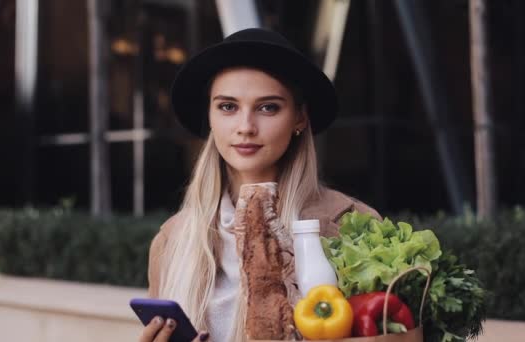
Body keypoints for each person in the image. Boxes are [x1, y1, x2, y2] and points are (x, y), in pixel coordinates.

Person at [141, 28, 380, 342]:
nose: (245, 127)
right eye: (228, 107)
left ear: (299, 118)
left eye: (268, 107)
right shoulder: (172, 242)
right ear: (210, 116)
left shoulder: (352, 226)